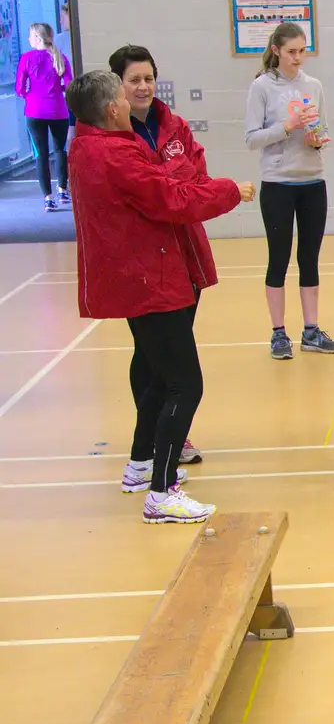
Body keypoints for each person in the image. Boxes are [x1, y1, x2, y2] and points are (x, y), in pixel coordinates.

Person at [65, 69, 255, 523]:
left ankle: (139, 465)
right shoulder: (115, 155)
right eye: (125, 91)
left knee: (154, 374)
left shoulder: (91, 147)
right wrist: (231, 191)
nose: (136, 96)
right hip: (150, 278)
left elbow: (167, 181)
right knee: (184, 384)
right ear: (113, 108)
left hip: (143, 274)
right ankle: (161, 491)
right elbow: (171, 198)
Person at [112, 44, 219, 467]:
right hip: (142, 262)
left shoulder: (175, 126)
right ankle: (155, 438)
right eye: (134, 79)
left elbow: (199, 180)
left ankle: (173, 430)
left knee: (174, 351)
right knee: (151, 353)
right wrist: (172, 187)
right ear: (118, 86)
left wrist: (177, 187)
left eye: (149, 78)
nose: (143, 87)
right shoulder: (114, 135)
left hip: (185, 253)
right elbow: (153, 193)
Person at [245, 21, 334, 359]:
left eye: (302, 51)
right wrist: (286, 127)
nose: (298, 58)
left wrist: (318, 141)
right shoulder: (261, 87)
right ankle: (278, 333)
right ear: (276, 51)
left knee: (310, 259)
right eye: (291, 52)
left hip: (312, 182)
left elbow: (324, 129)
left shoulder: (313, 85)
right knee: (279, 258)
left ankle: (312, 330)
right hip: (278, 184)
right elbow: (251, 139)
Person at [16, 23, 72, 212]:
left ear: (38, 38)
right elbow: (69, 84)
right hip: (58, 110)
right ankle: (62, 189)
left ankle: (48, 198)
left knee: (41, 154)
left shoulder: (26, 58)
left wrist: (29, 96)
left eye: (31, 36)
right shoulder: (60, 57)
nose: (29, 40)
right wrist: (58, 91)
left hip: (34, 111)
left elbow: (19, 88)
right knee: (60, 150)